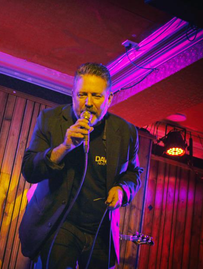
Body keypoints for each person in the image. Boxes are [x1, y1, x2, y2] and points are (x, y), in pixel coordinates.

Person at [19, 63, 143, 269]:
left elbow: (134, 173)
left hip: (100, 230)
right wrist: (64, 147)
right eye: (82, 95)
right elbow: (30, 170)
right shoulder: (50, 120)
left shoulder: (126, 132)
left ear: (109, 99)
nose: (88, 103)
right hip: (59, 224)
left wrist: (122, 190)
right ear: (72, 95)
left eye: (96, 96)